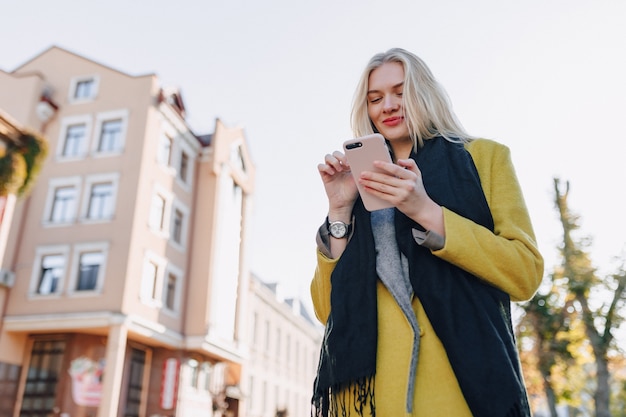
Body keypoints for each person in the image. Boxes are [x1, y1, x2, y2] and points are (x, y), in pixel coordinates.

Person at [311, 48, 544, 417]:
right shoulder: (361, 184)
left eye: (400, 92)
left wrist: (426, 212)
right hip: (370, 403)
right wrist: (339, 210)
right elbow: (328, 312)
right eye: (375, 98)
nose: (387, 106)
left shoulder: (485, 158)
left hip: (461, 395)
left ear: (425, 93)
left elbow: (525, 273)